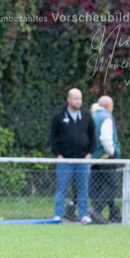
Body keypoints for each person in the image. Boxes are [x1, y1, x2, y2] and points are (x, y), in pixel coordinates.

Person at [49, 87, 95, 224]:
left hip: (82, 160)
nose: (78, 101)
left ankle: (83, 215)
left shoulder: (87, 117)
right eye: (75, 98)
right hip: (65, 160)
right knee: (61, 188)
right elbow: (53, 137)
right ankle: (58, 215)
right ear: (68, 99)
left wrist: (89, 153)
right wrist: (58, 154)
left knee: (83, 189)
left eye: (80, 98)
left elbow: (93, 136)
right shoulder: (59, 117)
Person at [89, 95, 121, 224]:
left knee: (97, 186)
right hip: (105, 157)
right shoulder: (106, 118)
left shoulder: (93, 117)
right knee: (113, 185)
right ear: (108, 106)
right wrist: (112, 151)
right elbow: (105, 138)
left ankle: (96, 214)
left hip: (93, 159)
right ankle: (96, 209)